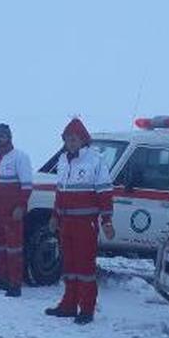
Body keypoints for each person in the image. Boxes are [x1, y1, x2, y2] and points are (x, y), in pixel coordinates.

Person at [46, 117, 114, 324]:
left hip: (86, 224)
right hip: (66, 223)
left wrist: (107, 221)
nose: (71, 142)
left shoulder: (95, 160)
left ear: (83, 139)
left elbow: (104, 192)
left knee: (85, 268)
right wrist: (55, 216)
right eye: (67, 139)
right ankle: (68, 305)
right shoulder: (63, 161)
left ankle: (86, 309)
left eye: (74, 138)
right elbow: (60, 191)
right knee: (69, 265)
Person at [0, 123, 33, 297]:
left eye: (2, 136)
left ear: (9, 137)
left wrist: (21, 206)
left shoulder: (20, 157)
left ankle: (15, 284)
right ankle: (1, 279)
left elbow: (27, 186)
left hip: (13, 212)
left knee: (14, 249)